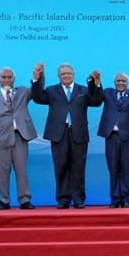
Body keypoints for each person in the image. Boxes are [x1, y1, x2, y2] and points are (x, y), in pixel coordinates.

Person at [31, 62, 103, 209]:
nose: (66, 76)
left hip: (78, 133)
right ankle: (63, 199)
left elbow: (96, 102)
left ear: (74, 75)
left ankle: (78, 199)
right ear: (58, 76)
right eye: (63, 74)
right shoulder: (51, 91)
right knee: (61, 167)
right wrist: (37, 78)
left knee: (78, 167)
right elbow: (37, 98)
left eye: (69, 73)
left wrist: (96, 84)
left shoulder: (83, 90)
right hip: (59, 134)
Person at [0, 67, 38, 210]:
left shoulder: (23, 92)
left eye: (9, 77)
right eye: (4, 77)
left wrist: (37, 77)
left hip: (20, 136)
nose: (7, 79)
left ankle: (25, 200)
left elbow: (37, 90)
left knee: (22, 170)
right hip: (2, 139)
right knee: (3, 171)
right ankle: (4, 200)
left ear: (14, 79)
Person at [97, 73, 129, 208]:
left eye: (123, 81)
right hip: (111, 136)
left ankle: (125, 199)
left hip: (127, 137)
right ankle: (115, 199)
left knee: (126, 168)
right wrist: (97, 83)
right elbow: (96, 98)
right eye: (118, 80)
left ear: (127, 82)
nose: (120, 83)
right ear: (114, 82)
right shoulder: (108, 92)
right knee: (113, 168)